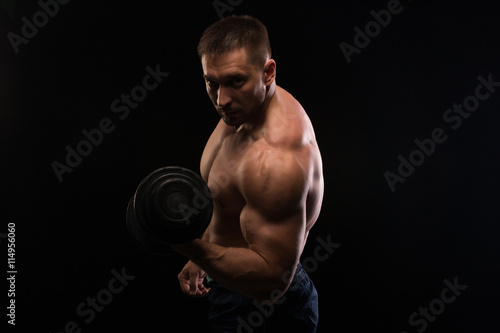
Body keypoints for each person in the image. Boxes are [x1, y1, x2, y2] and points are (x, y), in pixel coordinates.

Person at [172, 15, 324, 332]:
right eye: (211, 83)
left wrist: (190, 246)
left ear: (267, 72)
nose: (221, 100)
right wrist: (203, 255)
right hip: (230, 286)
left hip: (266, 308)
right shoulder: (241, 107)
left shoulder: (278, 157)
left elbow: (273, 283)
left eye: (234, 81)